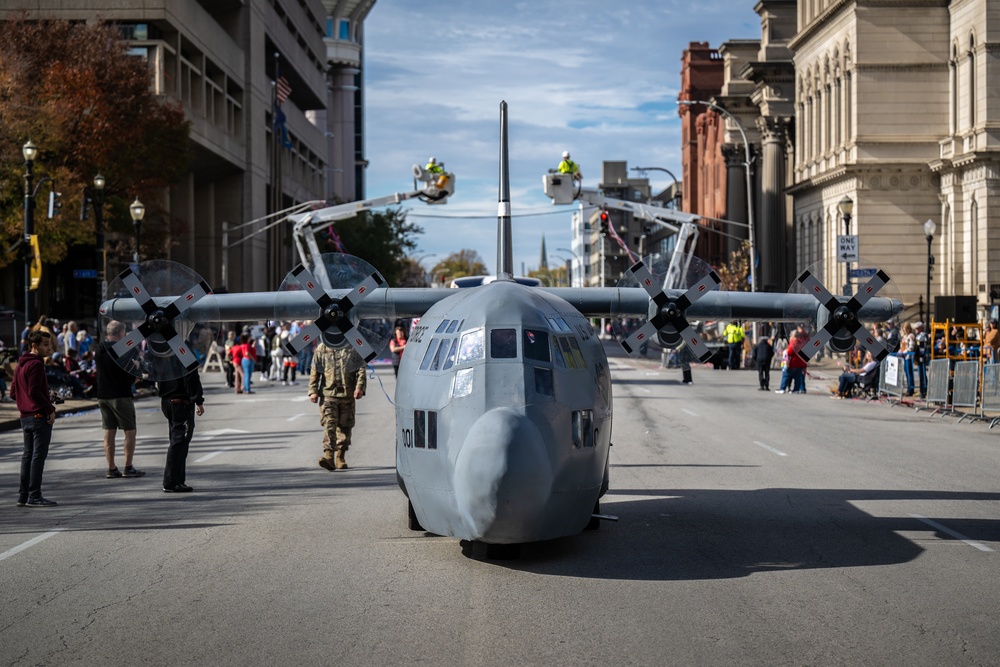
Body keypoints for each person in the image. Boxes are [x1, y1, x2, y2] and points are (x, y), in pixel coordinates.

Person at [11, 330, 58, 507]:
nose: (49, 348)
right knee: (38, 457)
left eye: (49, 344)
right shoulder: (36, 364)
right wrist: (50, 408)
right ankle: (35, 496)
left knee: (27, 456)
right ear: (34, 346)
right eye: (45, 344)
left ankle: (23, 496)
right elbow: (33, 391)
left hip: (25, 417)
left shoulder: (20, 364)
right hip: (38, 417)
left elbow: (14, 392)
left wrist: (33, 400)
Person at [95, 320, 144, 479]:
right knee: (130, 431)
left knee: (108, 432)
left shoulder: (99, 349)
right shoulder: (121, 350)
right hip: (120, 395)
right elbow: (126, 375)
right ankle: (128, 467)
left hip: (103, 395)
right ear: (121, 333)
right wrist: (136, 369)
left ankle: (111, 468)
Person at [309, 341, 366, 471]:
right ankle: (329, 456)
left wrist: (360, 387)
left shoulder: (353, 347)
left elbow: (361, 369)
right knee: (330, 423)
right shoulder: (321, 348)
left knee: (345, 427)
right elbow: (315, 370)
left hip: (348, 393)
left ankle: (340, 456)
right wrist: (313, 390)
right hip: (328, 393)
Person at [157, 365, 205, 493]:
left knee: (177, 440)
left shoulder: (163, 352)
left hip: (167, 399)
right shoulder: (182, 352)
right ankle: (171, 481)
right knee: (180, 441)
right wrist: (198, 400)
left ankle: (178, 480)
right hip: (180, 401)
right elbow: (191, 377)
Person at [900, 322, 916, 396]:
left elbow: (911, 347)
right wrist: (899, 352)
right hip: (903, 357)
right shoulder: (904, 337)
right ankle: (908, 388)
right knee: (906, 373)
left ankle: (911, 389)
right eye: (904, 329)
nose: (905, 330)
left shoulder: (911, 336)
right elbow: (902, 347)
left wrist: (904, 352)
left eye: (906, 329)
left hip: (908, 357)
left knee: (909, 373)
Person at [914, 321, 929, 397]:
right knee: (921, 375)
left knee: (922, 375)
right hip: (919, 357)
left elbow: (922, 348)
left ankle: (924, 391)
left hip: (922, 358)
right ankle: (922, 390)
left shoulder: (922, 336)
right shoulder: (918, 336)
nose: (916, 330)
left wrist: (920, 356)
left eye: (917, 328)